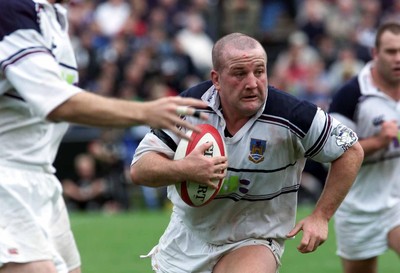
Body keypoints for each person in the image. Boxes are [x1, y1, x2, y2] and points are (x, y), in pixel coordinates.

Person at [0, 1, 208, 273]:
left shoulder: (54, 19)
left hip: (40, 178)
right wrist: (145, 111)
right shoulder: (10, 10)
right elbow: (58, 102)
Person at [130, 32, 364, 273]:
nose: (252, 83)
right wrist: (185, 169)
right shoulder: (188, 107)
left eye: (259, 72)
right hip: (189, 238)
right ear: (217, 79)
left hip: (255, 238)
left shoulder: (292, 114)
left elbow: (351, 150)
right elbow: (140, 169)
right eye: (239, 73)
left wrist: (321, 216)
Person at [329, 22, 400, 273]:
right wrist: (379, 141)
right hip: (358, 206)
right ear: (375, 53)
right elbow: (331, 152)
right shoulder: (351, 95)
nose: (398, 58)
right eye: (391, 51)